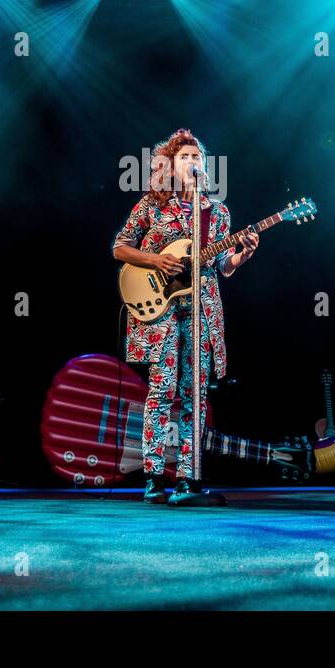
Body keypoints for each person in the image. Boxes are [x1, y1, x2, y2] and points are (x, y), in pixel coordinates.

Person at [112, 129, 258, 506]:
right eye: (185, 158)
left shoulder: (219, 212)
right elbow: (120, 247)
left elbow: (223, 266)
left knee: (197, 396)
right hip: (160, 309)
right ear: (170, 166)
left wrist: (240, 256)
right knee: (162, 391)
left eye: (198, 158)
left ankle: (189, 479)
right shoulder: (152, 205)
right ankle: (153, 476)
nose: (193, 163)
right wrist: (155, 259)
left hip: (202, 310)